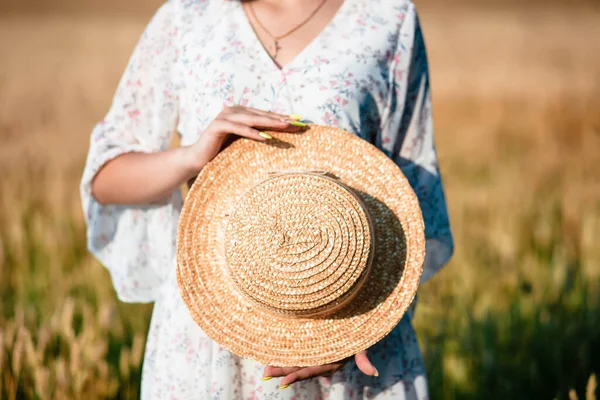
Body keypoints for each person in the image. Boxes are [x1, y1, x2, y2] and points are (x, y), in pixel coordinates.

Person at [80, 0, 454, 398]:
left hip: (342, 326)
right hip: (208, 336)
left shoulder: (387, 18)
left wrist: (360, 330)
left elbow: (413, 203)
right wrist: (192, 156)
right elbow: (105, 177)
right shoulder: (188, 16)